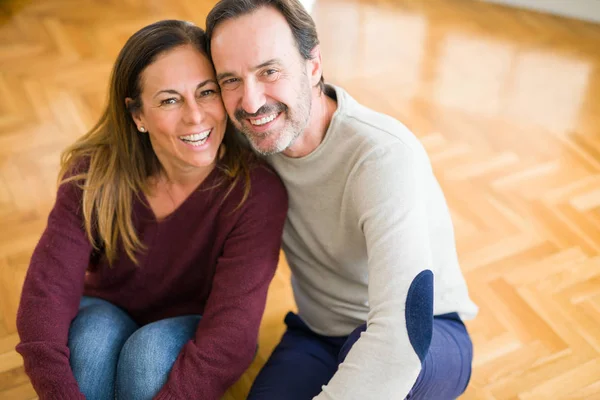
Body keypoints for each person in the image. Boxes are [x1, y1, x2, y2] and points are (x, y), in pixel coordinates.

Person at [205, 1, 479, 399]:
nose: (250, 102)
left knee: (382, 366)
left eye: (269, 71)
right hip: (319, 335)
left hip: (428, 333)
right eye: (230, 80)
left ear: (313, 64)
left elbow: (403, 335)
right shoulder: (248, 140)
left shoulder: (382, 154)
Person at [15, 19, 288, 400]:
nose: (195, 116)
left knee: (147, 355)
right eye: (170, 99)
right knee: (90, 344)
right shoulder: (93, 172)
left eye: (206, 92)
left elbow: (231, 339)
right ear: (137, 115)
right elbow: (46, 292)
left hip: (193, 325)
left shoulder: (256, 194)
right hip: (105, 309)